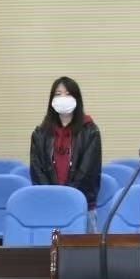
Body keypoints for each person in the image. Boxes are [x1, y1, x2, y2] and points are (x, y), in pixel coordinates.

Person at [29, 76, 103, 230]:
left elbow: (88, 173)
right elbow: (37, 171)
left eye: (68, 94)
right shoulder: (40, 133)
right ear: (51, 100)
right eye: (58, 94)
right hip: (49, 206)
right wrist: (54, 198)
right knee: (51, 245)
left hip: (82, 206)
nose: (63, 98)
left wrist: (68, 198)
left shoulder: (90, 131)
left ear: (77, 99)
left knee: (82, 246)